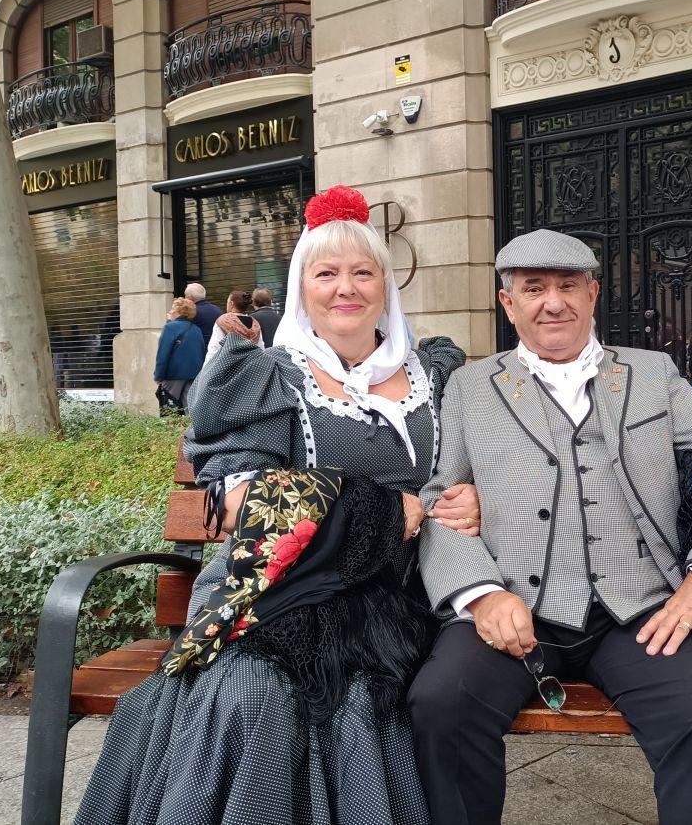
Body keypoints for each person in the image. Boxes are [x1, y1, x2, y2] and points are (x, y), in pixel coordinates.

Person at [75, 186, 480, 825]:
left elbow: (478, 465)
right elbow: (240, 503)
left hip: (392, 597)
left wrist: (468, 494)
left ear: (385, 287)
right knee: (253, 695)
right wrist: (383, 511)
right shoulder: (267, 375)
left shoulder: (436, 375)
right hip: (273, 587)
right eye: (326, 273)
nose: (345, 288)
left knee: (354, 698)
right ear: (301, 287)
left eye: (362, 272)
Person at [411, 229, 692, 825]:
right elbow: (438, 503)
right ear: (508, 304)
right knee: (440, 704)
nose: (554, 302)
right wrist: (481, 593)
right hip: (514, 605)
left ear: (593, 293)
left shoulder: (654, 374)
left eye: (568, 285)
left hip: (639, 607)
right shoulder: (471, 388)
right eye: (534, 289)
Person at [152, 297, 204, 413]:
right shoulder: (196, 329)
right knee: (189, 409)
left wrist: (158, 376)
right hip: (194, 374)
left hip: (173, 375)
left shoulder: (170, 327)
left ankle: (172, 431)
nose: (170, 311)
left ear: (179, 311)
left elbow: (163, 354)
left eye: (173, 309)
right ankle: (189, 431)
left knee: (170, 409)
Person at [202, 289, 263, 365]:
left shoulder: (224, 321)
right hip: (250, 368)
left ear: (231, 303)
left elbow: (214, 349)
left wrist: (206, 370)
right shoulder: (255, 324)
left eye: (227, 302)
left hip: (229, 368)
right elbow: (261, 348)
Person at [184, 282, 221, 346]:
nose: (184, 299)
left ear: (190, 298)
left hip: (198, 350)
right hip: (216, 350)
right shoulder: (218, 310)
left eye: (185, 296)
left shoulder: (190, 313)